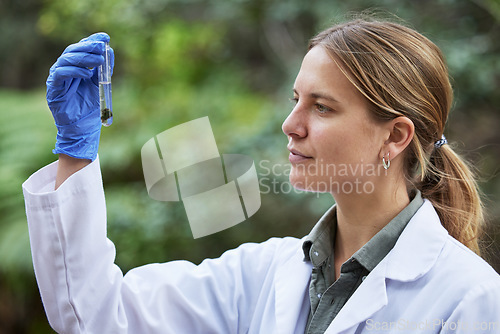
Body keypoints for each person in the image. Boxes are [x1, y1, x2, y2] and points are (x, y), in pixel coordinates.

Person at [23, 17, 500, 334]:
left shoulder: (468, 298)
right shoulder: (263, 274)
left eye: (322, 107)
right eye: (296, 99)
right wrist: (76, 152)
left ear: (395, 136)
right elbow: (95, 317)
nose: (291, 125)